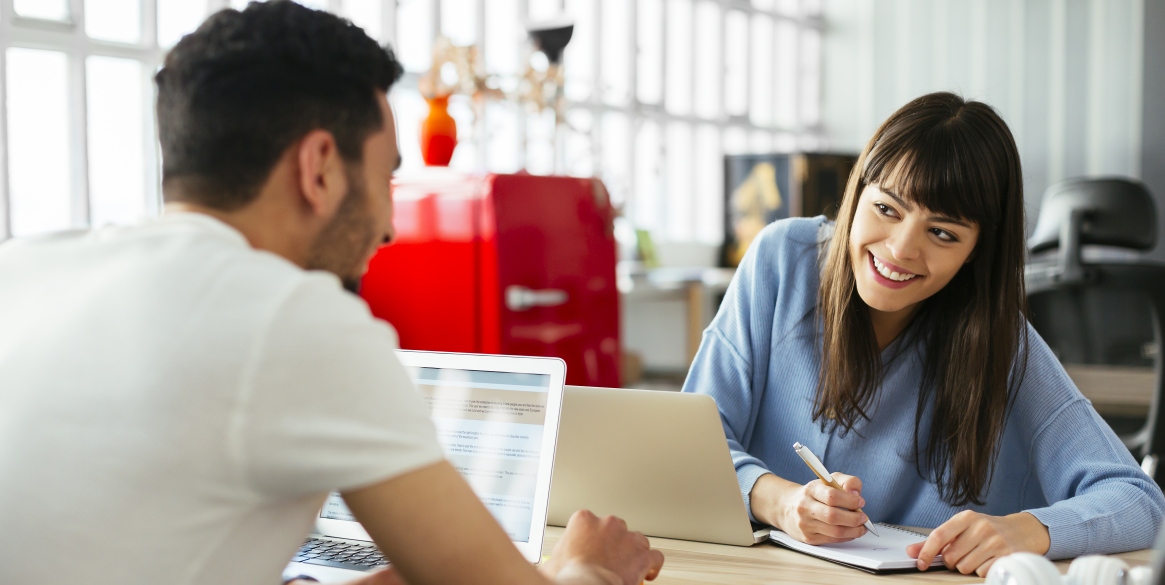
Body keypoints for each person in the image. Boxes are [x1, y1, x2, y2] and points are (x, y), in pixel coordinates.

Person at [0, 3, 664, 585]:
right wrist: (586, 564)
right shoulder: (294, 318)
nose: (388, 225)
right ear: (318, 167)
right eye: (385, 179)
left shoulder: (24, 268)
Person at [683, 91, 1165, 577]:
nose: (900, 249)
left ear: (976, 250)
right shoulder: (782, 261)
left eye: (943, 234)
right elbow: (690, 446)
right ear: (859, 192)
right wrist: (779, 501)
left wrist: (1027, 528)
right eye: (887, 209)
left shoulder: (1001, 341)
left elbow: (1139, 501)